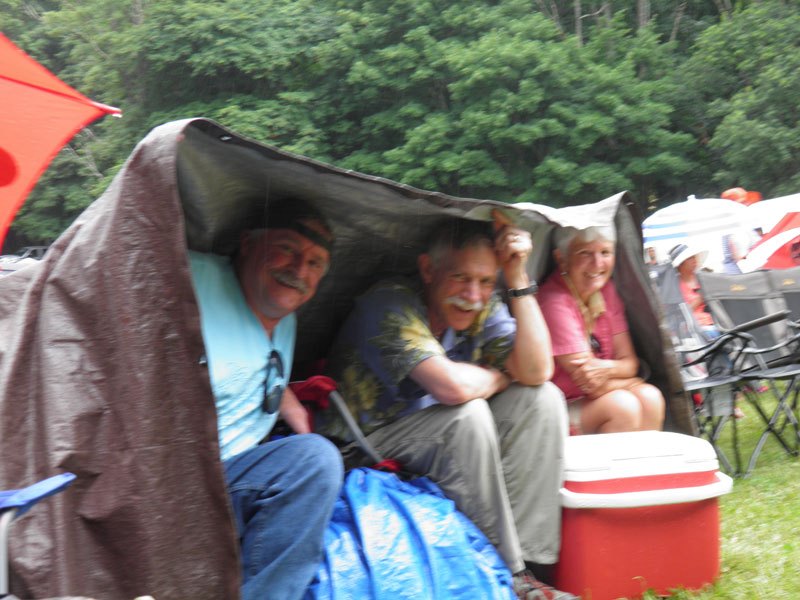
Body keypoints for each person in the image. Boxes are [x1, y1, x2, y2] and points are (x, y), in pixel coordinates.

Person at [322, 214, 575, 600]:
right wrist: (500, 377)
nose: (473, 295)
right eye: (460, 277)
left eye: (486, 281)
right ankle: (508, 574)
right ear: (428, 270)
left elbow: (538, 370)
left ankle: (529, 567)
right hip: (363, 453)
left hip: (435, 445)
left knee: (541, 399)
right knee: (466, 415)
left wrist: (516, 276)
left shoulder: (482, 305)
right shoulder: (388, 303)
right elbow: (452, 388)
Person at [188, 197, 344, 600]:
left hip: (230, 479)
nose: (299, 270)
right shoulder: (189, 279)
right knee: (315, 461)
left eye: (315, 263)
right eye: (287, 249)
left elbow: (251, 362)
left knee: (318, 458)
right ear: (248, 243)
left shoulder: (284, 318)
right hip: (169, 480)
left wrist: (294, 410)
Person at [538, 225, 665, 435]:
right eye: (585, 253)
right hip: (558, 408)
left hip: (599, 398)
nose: (598, 264)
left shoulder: (606, 291)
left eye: (605, 252)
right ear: (561, 258)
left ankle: (646, 459)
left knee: (651, 398)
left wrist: (606, 369)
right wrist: (633, 381)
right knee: (622, 407)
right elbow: (591, 385)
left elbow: (630, 363)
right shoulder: (553, 301)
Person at [669, 243, 714, 332]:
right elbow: (680, 315)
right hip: (696, 328)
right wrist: (700, 298)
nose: (694, 260)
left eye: (694, 257)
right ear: (680, 264)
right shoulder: (675, 286)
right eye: (689, 258)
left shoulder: (703, 277)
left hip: (715, 321)